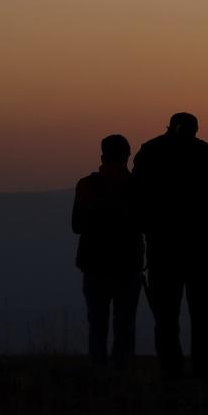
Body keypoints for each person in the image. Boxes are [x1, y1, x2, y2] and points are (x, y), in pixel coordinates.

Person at [132, 113, 208, 380]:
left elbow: (136, 200)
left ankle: (171, 372)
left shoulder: (150, 152)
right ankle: (205, 371)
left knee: (166, 316)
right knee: (203, 315)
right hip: (198, 247)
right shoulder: (205, 153)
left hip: (163, 247)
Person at [72, 134, 144, 368]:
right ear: (127, 156)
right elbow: (146, 223)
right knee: (125, 324)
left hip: (94, 265)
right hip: (128, 264)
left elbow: (76, 226)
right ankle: (122, 373)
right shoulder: (137, 186)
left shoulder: (85, 185)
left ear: (102, 156)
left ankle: (98, 371)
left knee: (97, 324)